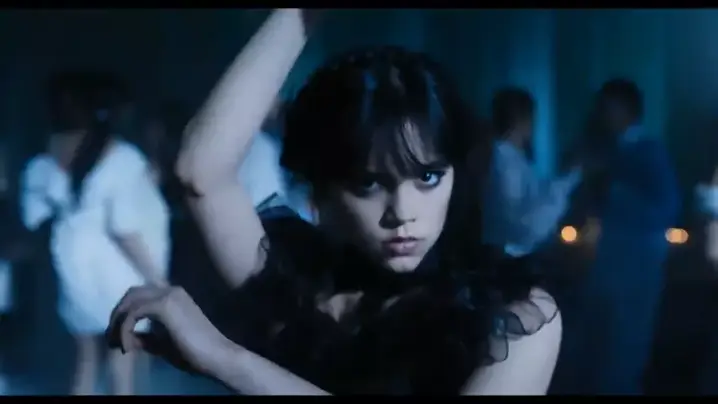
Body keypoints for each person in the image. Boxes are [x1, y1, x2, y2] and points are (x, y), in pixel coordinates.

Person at [107, 9, 561, 395]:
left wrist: (229, 360)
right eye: (368, 183)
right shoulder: (300, 284)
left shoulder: (512, 314)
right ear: (321, 191)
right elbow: (201, 171)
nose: (403, 213)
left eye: (428, 177)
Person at [20, 71, 170, 395]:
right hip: (118, 269)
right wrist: (158, 279)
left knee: (86, 358)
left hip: (73, 267)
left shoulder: (41, 164)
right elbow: (124, 230)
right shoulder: (122, 157)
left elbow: (35, 223)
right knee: (122, 358)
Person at [567, 79, 680, 395]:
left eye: (610, 108)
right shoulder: (605, 149)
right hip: (607, 264)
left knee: (624, 348)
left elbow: (666, 208)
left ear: (628, 110)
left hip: (637, 265)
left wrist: (611, 189)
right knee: (597, 345)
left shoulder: (649, 151)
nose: (604, 114)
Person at [483, 88, 582, 258]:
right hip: (507, 257)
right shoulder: (505, 162)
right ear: (522, 120)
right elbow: (518, 223)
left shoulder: (511, 159)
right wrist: (567, 183)